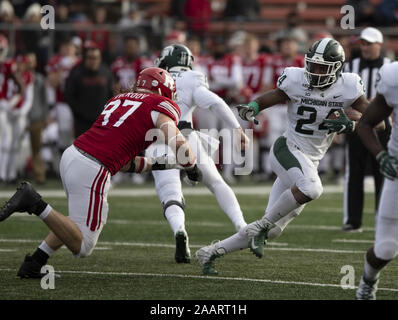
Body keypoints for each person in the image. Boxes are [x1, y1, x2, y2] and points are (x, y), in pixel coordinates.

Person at [195, 38, 380, 275]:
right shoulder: (295, 79)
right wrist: (253, 107)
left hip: (309, 160)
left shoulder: (350, 87)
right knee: (312, 188)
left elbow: (381, 123)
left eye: (322, 67)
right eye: (312, 65)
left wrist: (351, 126)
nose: (315, 72)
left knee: (273, 231)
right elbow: (273, 95)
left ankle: (210, 252)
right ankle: (259, 227)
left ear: (337, 68)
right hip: (288, 148)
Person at [0, 67, 201, 278]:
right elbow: (179, 143)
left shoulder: (119, 100)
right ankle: (34, 202)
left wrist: (161, 164)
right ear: (164, 91)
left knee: (75, 221)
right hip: (92, 166)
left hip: (73, 155)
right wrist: (192, 167)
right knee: (83, 246)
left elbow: (123, 162)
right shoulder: (159, 105)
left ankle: (36, 261)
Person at [150, 44, 249, 263]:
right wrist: (237, 128)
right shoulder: (193, 77)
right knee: (216, 183)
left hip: (156, 138)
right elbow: (215, 102)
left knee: (170, 192)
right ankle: (241, 225)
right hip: (185, 136)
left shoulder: (152, 77)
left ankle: (179, 230)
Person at [355, 61, 398, 300]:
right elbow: (365, 123)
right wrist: (380, 155)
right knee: (385, 249)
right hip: (397, 173)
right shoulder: (394, 77)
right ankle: (367, 283)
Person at [342, 27, 391, 232]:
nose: (365, 47)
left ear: (379, 45)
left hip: (382, 126)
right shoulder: (350, 65)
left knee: (384, 173)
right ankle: (353, 220)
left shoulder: (389, 66)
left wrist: (366, 106)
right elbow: (341, 93)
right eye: (362, 43)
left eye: (369, 43)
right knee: (354, 172)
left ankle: (384, 218)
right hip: (356, 126)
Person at [65, 41, 114, 138]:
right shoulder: (76, 73)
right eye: (90, 58)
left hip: (102, 121)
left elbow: (111, 94)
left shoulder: (106, 72)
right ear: (85, 59)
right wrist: (79, 114)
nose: (93, 61)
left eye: (96, 58)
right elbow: (69, 96)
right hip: (82, 122)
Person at [0, 54, 33, 184]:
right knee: (5, 142)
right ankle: (2, 173)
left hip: (19, 114)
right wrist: (7, 107)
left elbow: (29, 99)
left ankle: (12, 173)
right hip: (6, 112)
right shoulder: (6, 76)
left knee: (15, 144)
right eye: (17, 64)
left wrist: (21, 111)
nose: (19, 66)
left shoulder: (28, 77)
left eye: (21, 63)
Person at [26, 52, 49, 185]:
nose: (29, 63)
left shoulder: (39, 78)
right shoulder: (18, 77)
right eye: (27, 60)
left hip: (36, 117)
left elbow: (44, 99)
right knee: (10, 147)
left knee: (37, 148)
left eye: (31, 61)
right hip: (19, 117)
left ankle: (39, 176)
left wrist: (44, 115)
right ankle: (9, 174)